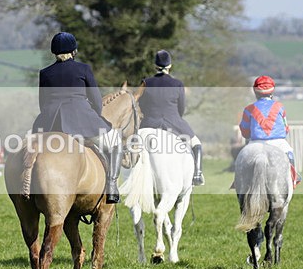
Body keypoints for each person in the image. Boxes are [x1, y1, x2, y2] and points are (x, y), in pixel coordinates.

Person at [31, 31, 122, 203]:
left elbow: (43, 103)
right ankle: (112, 187)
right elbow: (96, 101)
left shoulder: (45, 73)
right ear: (74, 51)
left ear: (54, 52)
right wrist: (94, 117)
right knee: (115, 143)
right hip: (81, 120)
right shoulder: (83, 69)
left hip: (50, 123)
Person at [138, 50, 205, 185]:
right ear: (170, 66)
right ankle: (197, 174)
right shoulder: (177, 84)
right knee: (196, 143)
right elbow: (181, 108)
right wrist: (176, 118)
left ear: (155, 66)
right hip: (173, 121)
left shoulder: (146, 82)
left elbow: (141, 104)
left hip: (149, 122)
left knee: (129, 144)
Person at [239, 75, 301, 185]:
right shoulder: (280, 107)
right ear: (272, 91)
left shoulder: (248, 109)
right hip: (278, 142)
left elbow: (244, 131)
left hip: (255, 143)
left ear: (255, 91)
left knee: (242, 159)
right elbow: (286, 129)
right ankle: (294, 178)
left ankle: (239, 181)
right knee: (289, 152)